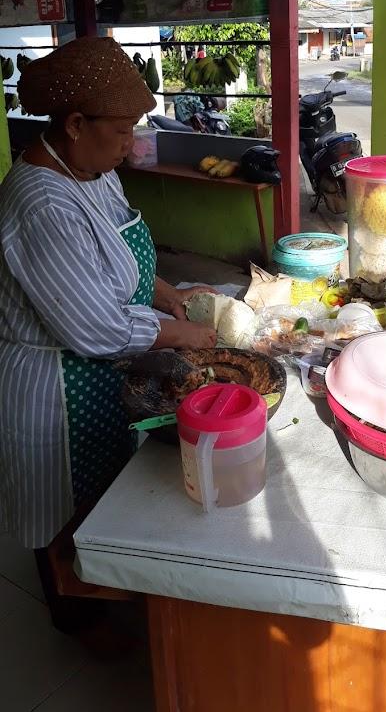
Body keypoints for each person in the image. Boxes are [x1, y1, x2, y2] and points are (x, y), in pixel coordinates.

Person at [0, 37, 216, 624]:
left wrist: (170, 296)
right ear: (74, 123)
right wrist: (184, 337)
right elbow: (95, 325)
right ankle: (77, 621)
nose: (130, 146)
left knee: (105, 503)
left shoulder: (92, 173)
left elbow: (122, 254)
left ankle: (111, 600)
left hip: (99, 375)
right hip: (55, 387)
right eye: (121, 131)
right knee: (63, 515)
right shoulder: (43, 202)